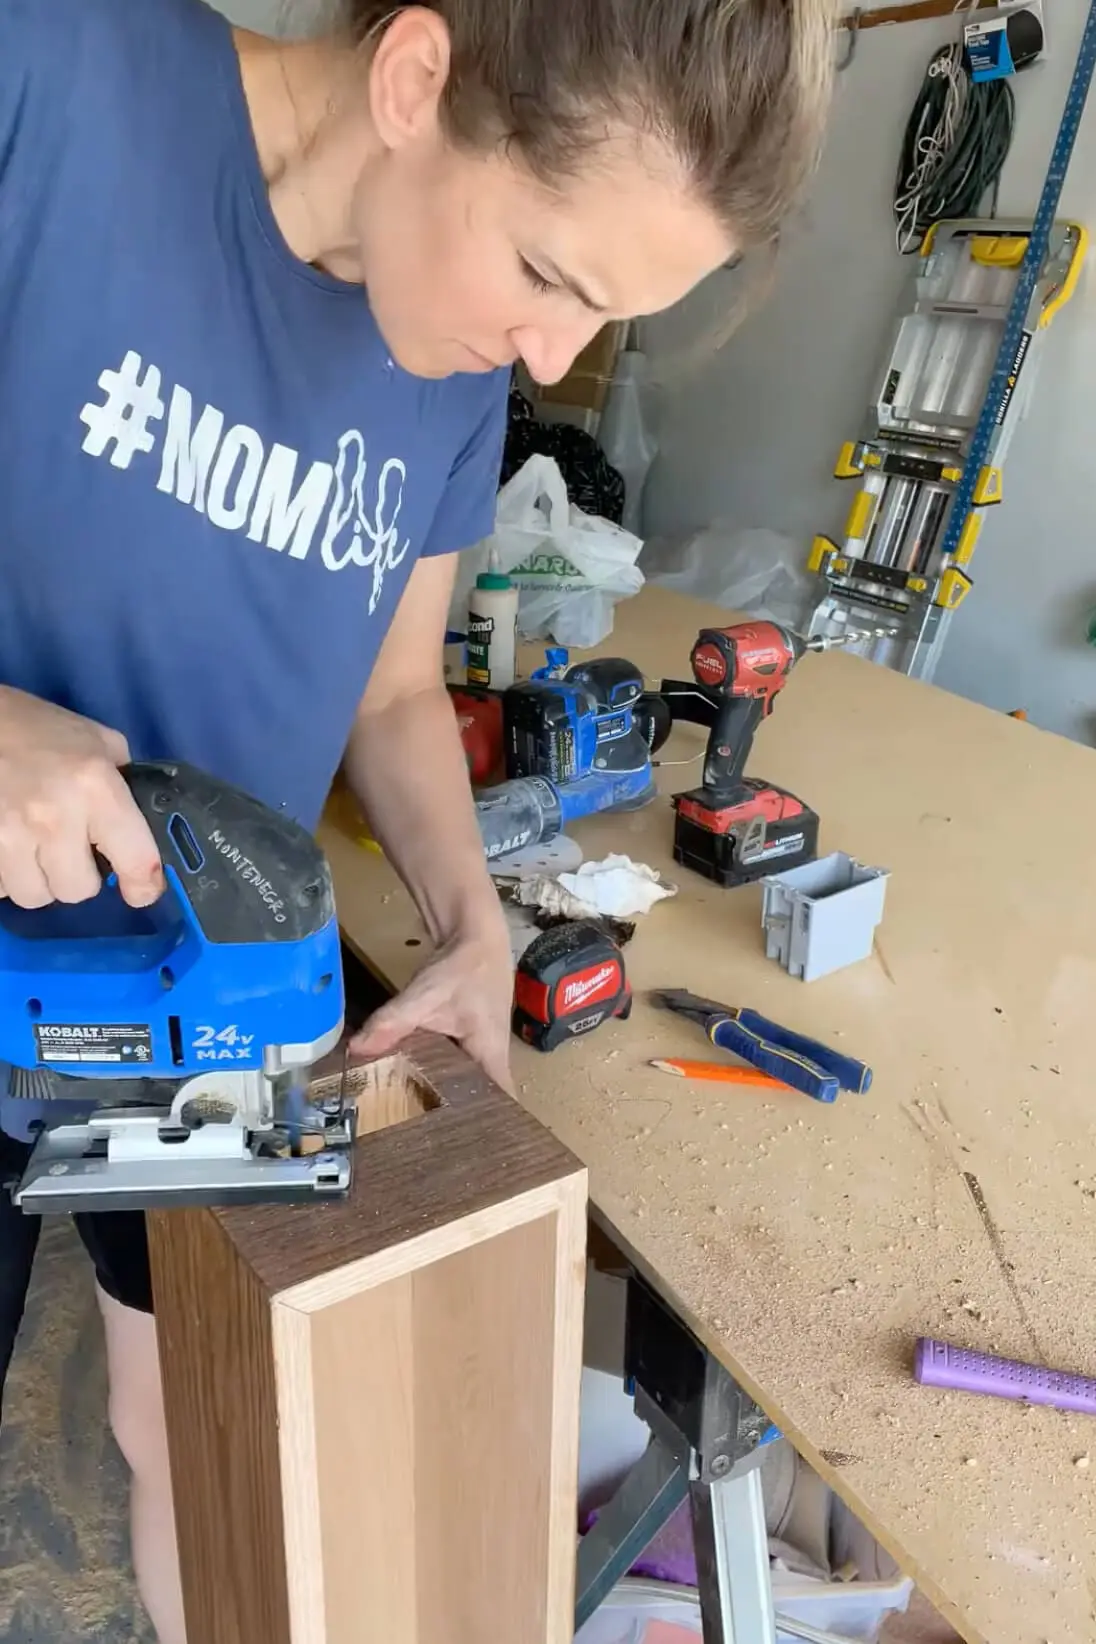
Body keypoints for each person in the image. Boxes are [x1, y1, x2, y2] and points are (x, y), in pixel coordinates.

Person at [0, 0, 835, 1635]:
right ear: (413, 79)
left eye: (600, 317)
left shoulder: (441, 351)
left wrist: (470, 931)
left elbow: (391, 695)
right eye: (549, 276)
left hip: (203, 997)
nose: (546, 362)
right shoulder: (50, 73)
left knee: (215, 1437)